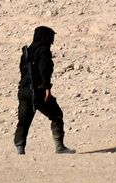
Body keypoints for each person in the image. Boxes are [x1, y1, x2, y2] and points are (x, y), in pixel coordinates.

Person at [14, 26, 73, 155]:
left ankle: (20, 148)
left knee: (24, 120)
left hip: (23, 91)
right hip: (37, 90)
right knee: (56, 114)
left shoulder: (27, 52)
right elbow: (44, 70)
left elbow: (23, 72)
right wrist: (47, 88)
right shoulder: (43, 50)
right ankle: (60, 147)